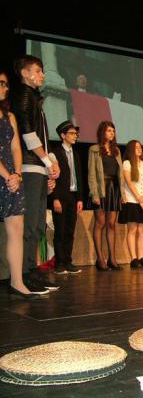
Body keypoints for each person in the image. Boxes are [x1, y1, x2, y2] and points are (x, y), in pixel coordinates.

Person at [12, 55, 60, 293]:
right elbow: (27, 134)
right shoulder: (23, 95)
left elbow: (40, 136)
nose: (42, 75)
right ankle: (22, 275)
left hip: (39, 167)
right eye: (38, 71)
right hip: (30, 168)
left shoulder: (34, 98)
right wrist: (46, 161)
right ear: (25, 73)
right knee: (30, 224)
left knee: (39, 224)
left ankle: (32, 271)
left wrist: (50, 161)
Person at [0, 70, 42, 299]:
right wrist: (8, 175)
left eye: (7, 84)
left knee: (16, 228)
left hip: (12, 176)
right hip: (4, 175)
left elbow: (16, 147)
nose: (5, 87)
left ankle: (17, 282)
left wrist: (16, 174)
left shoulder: (10, 116)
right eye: (1, 83)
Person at [88, 121, 125, 270]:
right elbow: (91, 173)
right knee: (100, 223)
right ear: (102, 132)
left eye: (113, 131)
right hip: (101, 188)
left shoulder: (117, 151)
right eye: (109, 130)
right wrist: (94, 193)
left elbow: (120, 174)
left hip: (114, 188)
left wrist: (122, 193)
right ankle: (100, 259)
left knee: (111, 224)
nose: (112, 133)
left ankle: (112, 259)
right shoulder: (94, 149)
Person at [50, 121, 83, 275]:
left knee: (70, 230)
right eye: (71, 133)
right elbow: (52, 178)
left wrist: (80, 199)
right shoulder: (55, 153)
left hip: (73, 196)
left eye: (76, 133)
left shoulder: (76, 154)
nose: (75, 136)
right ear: (63, 135)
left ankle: (68, 261)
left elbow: (79, 177)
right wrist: (55, 198)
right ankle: (59, 263)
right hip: (60, 196)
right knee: (60, 230)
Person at [119, 140, 143, 268]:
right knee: (132, 229)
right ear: (130, 150)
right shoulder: (127, 163)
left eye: (140, 147)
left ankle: (141, 257)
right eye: (136, 147)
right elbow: (129, 183)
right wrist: (139, 199)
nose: (139, 149)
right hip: (131, 200)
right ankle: (133, 258)